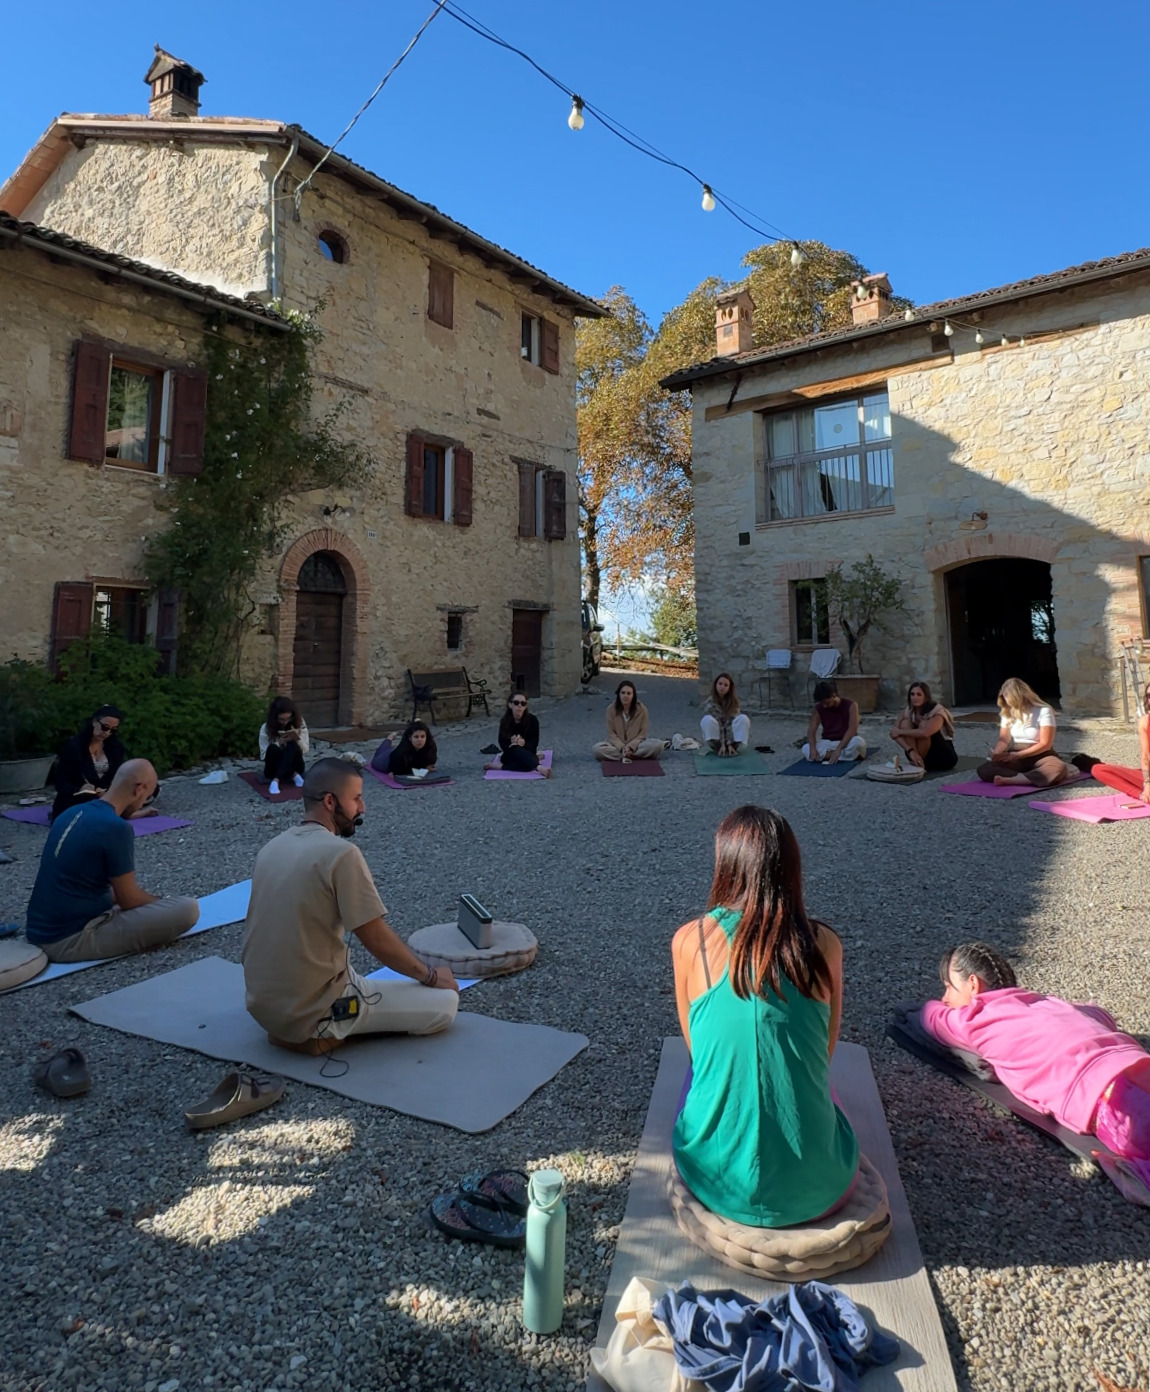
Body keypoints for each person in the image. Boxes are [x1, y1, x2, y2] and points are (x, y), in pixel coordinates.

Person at [670, 806, 858, 1227]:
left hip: (716, 1184)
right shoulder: (823, 943)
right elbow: (825, 1051)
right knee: (818, 1085)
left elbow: (696, 1051)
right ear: (791, 868)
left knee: (699, 1074)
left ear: (725, 865)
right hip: (824, 1189)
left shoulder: (689, 941)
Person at [242, 758, 459, 1048]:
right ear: (330, 801)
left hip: (264, 1007)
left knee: (365, 979)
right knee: (445, 1003)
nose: (362, 808)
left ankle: (295, 1023)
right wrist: (431, 976)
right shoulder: (341, 854)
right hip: (321, 1010)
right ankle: (328, 1029)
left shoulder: (272, 848)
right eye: (356, 798)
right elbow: (376, 938)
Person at [923, 942, 1150, 1183]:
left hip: (1105, 1098)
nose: (945, 998)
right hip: (1134, 1063)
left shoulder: (975, 1021)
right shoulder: (1044, 1002)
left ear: (973, 984)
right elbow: (1101, 1015)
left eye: (949, 987)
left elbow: (929, 1016)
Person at [26, 760, 199, 963]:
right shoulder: (115, 828)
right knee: (188, 908)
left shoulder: (72, 813)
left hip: (39, 929)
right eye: (148, 796)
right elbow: (129, 899)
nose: (143, 803)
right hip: (69, 940)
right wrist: (162, 902)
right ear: (140, 789)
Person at [976, 678, 1070, 787]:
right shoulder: (1007, 712)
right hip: (1015, 754)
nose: (1013, 707)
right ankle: (1030, 777)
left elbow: (1045, 744)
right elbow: (1004, 740)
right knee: (985, 769)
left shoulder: (1043, 710)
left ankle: (1015, 779)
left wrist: (1018, 755)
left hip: (1040, 753)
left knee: (1057, 767)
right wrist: (997, 753)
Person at [51, 705, 129, 821]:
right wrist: (80, 788)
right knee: (87, 801)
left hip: (105, 794)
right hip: (80, 796)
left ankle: (120, 810)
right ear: (94, 722)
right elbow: (60, 783)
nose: (107, 733)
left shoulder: (115, 748)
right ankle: (127, 813)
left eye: (113, 730)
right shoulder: (75, 747)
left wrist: (107, 791)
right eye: (104, 727)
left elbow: (116, 776)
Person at [1091, 681, 1150, 804]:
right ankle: (1141, 795)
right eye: (1149, 696)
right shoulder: (1145, 721)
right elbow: (1146, 756)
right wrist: (1147, 783)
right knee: (1099, 769)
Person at [889, 681, 958, 771]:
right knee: (904, 723)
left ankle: (919, 762)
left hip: (941, 755)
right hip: (915, 754)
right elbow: (893, 733)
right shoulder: (908, 711)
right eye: (912, 694)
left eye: (919, 694)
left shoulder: (937, 712)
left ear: (926, 697)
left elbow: (925, 733)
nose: (915, 697)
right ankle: (917, 760)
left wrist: (900, 732)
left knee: (923, 724)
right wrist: (910, 751)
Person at [592, 681, 665, 762]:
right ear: (619, 694)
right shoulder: (611, 709)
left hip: (636, 745)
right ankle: (630, 755)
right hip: (616, 746)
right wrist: (622, 747)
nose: (625, 696)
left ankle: (627, 755)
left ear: (633, 695)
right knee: (597, 749)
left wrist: (630, 746)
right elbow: (611, 734)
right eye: (623, 693)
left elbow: (642, 734)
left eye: (629, 693)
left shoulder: (642, 709)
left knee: (659, 745)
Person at [486, 694, 550, 776]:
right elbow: (502, 742)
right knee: (517, 750)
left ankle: (500, 767)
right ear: (510, 705)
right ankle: (538, 767)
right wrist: (512, 743)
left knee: (527, 765)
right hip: (510, 755)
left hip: (528, 752)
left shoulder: (532, 720)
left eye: (523, 703)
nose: (519, 706)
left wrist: (523, 744)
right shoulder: (505, 721)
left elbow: (534, 743)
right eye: (516, 703)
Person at [803, 682, 866, 763]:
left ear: (834, 695)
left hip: (846, 741)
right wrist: (812, 749)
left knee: (858, 742)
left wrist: (839, 749)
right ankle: (841, 756)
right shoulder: (819, 708)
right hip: (828, 742)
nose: (825, 706)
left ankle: (829, 755)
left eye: (827, 703)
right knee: (806, 748)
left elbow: (852, 729)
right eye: (822, 704)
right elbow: (811, 731)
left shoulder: (851, 705)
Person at [259, 696, 309, 797]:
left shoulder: (300, 723)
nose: (285, 722)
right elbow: (263, 755)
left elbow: (305, 749)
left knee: (292, 744)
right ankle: (293, 775)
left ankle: (276, 781)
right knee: (273, 748)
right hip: (272, 769)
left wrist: (298, 738)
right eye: (281, 720)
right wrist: (279, 743)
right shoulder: (265, 728)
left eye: (288, 719)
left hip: (297, 765)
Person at [700, 673, 750, 757]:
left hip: (731, 737)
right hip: (718, 739)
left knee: (743, 718)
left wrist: (729, 744)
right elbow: (720, 724)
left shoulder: (734, 702)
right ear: (716, 685)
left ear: (729, 688)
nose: (722, 687)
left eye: (725, 685)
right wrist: (722, 744)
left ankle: (734, 747)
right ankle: (718, 748)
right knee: (707, 720)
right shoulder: (709, 702)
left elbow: (730, 723)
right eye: (720, 684)